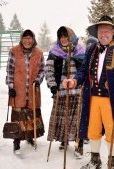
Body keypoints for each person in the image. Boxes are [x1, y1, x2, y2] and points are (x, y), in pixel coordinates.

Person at [63, 15, 114, 169]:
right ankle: (95, 160)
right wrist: (74, 81)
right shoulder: (91, 50)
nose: (103, 34)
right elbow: (83, 71)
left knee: (113, 131)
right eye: (100, 31)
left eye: (107, 31)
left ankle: (112, 164)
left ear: (113, 32)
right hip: (93, 98)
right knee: (93, 130)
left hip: (113, 99)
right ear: (97, 33)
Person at [45, 26, 85, 157]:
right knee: (63, 118)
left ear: (71, 37)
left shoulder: (80, 52)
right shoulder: (54, 52)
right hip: (61, 91)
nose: (63, 39)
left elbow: (84, 71)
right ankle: (64, 139)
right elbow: (49, 70)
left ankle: (79, 143)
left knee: (77, 119)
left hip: (77, 90)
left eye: (65, 36)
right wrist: (52, 85)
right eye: (61, 36)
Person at [5, 29, 45, 154]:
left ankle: (30, 136)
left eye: (30, 38)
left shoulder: (39, 53)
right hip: (18, 90)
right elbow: (10, 70)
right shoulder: (14, 51)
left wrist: (38, 80)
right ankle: (16, 142)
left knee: (31, 115)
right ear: (22, 39)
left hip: (32, 90)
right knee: (18, 117)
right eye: (25, 38)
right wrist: (11, 86)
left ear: (33, 40)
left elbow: (42, 70)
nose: (27, 41)